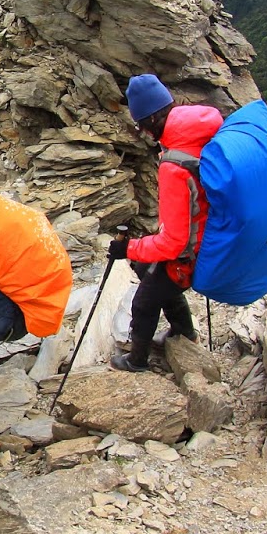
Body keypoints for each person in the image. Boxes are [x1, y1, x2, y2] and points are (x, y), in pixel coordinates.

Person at [107, 74, 221, 372]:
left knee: (144, 301)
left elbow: (173, 243)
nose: (143, 133)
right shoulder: (200, 128)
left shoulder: (174, 166)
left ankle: (137, 360)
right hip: (213, 234)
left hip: (192, 252)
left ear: (152, 119)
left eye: (141, 126)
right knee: (148, 271)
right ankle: (184, 333)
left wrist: (128, 249)